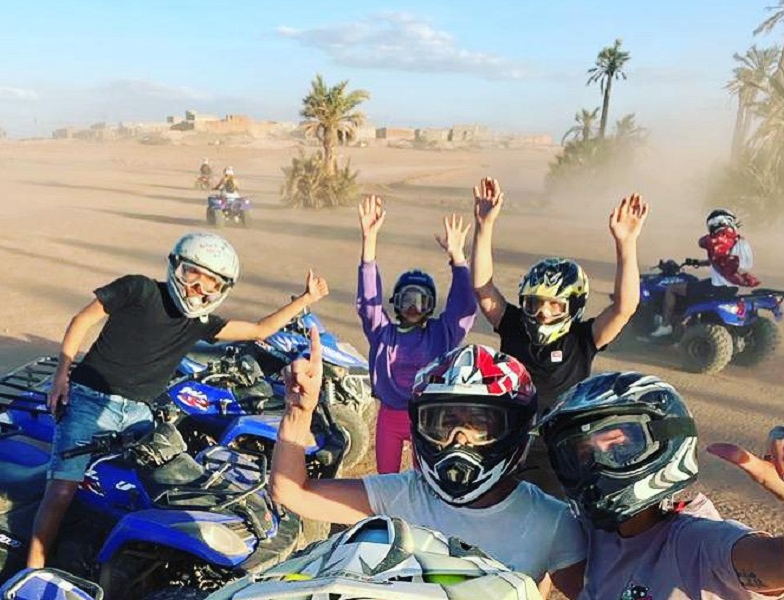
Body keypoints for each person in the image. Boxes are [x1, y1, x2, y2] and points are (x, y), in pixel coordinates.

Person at [27, 232, 330, 568]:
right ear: (175, 267)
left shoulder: (199, 324)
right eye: (191, 275)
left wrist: (306, 299)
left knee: (153, 490)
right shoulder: (138, 289)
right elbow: (82, 319)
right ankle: (32, 569)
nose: (196, 289)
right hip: (89, 400)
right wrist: (62, 374)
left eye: (209, 284)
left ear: (221, 290)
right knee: (61, 491)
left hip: (139, 412)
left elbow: (259, 330)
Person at [269, 337, 586, 597]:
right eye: (444, 423)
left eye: (479, 424)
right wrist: (299, 411)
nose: (458, 440)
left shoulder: (551, 521)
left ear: (515, 430)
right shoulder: (402, 494)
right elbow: (291, 491)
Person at [538, 370, 784, 599]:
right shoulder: (593, 535)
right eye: (583, 455)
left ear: (666, 440)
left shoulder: (697, 542)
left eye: (620, 446)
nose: (598, 465)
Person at [470, 176, 648, 494]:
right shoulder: (513, 326)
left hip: (562, 450)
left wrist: (626, 244)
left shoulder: (582, 339)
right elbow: (483, 287)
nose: (543, 313)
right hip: (509, 444)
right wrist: (484, 226)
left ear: (573, 306)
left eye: (554, 305)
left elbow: (625, 306)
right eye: (535, 303)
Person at [357, 194, 478, 473]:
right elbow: (368, 301)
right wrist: (369, 241)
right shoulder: (382, 333)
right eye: (407, 300)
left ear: (431, 305)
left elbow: (465, 308)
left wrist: (458, 258)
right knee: (387, 480)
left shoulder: (441, 334)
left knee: (426, 481)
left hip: (428, 420)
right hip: (389, 418)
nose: (413, 307)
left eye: (421, 300)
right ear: (396, 303)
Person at [651, 208, 761, 337]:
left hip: (717, 288)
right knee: (695, 285)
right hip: (735, 287)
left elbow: (703, 242)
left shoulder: (720, 238)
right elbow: (723, 260)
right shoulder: (739, 241)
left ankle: (665, 325)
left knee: (671, 289)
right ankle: (683, 320)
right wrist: (698, 262)